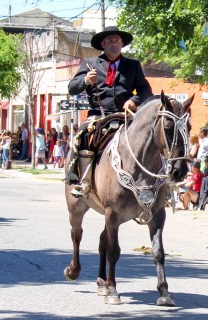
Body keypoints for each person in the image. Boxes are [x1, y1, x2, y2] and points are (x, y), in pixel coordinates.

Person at [65, 26, 152, 197]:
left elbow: (145, 90)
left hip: (125, 115)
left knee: (147, 139)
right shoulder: (90, 64)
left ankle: (152, 182)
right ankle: (81, 180)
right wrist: (85, 80)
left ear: (122, 44)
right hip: (97, 116)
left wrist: (133, 101)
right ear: (103, 44)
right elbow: (72, 88)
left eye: (117, 41)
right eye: (110, 40)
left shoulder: (132, 65)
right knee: (81, 139)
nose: (114, 44)